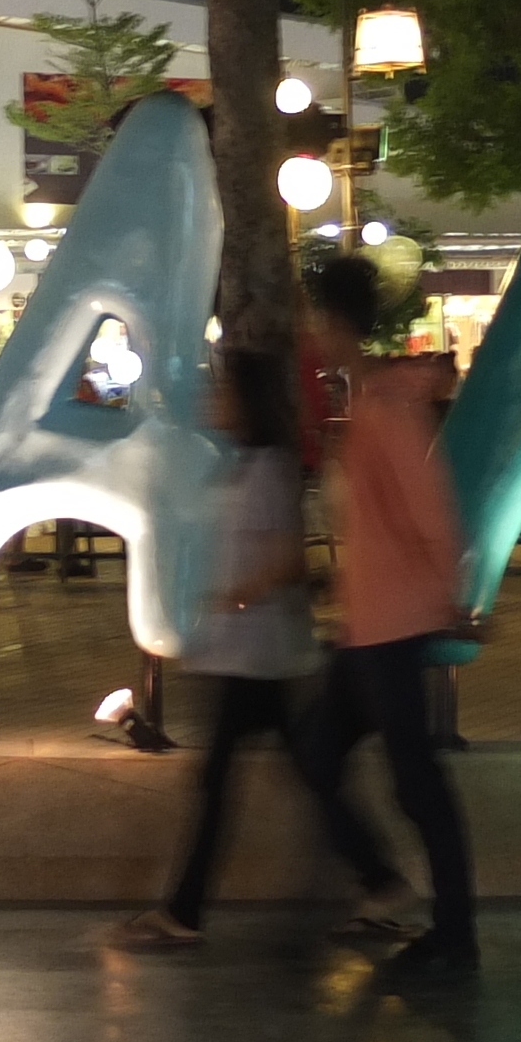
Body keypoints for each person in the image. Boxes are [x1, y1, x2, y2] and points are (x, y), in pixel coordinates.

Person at [117, 347, 401, 952]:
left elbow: (291, 559)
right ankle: (380, 878)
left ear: (247, 401)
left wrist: (236, 598)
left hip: (257, 656)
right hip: (246, 659)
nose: (215, 401)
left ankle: (186, 911)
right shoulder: (240, 464)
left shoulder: (269, 468)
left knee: (224, 785)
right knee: (302, 773)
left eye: (224, 392)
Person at [288, 254, 476, 977]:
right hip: (367, 624)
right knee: (319, 751)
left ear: (333, 321)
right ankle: (388, 885)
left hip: (393, 625)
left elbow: (430, 511)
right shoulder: (367, 400)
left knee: (414, 779)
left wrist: (452, 601)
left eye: (314, 315)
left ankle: (454, 930)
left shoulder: (386, 408)